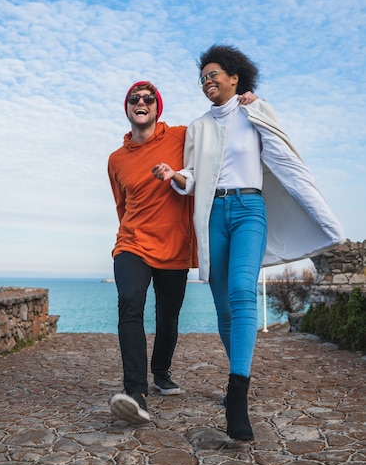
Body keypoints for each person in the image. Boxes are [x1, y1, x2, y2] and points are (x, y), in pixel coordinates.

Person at [152, 44, 345, 441]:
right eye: (202, 78)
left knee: (242, 292)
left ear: (235, 76)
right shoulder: (198, 126)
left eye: (213, 74)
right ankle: (237, 371)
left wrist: (257, 106)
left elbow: (283, 153)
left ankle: (236, 394)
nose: (207, 82)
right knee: (224, 307)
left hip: (249, 210)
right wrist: (175, 174)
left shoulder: (254, 110)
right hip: (213, 216)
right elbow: (192, 177)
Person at [107, 81, 197, 424]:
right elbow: (122, 205)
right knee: (130, 302)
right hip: (132, 242)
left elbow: (219, 133)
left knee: (168, 316)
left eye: (148, 99)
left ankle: (160, 372)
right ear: (128, 108)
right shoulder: (116, 159)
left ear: (157, 108)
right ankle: (136, 392)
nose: (141, 102)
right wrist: (132, 235)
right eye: (134, 98)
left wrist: (245, 99)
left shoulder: (181, 136)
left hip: (174, 245)